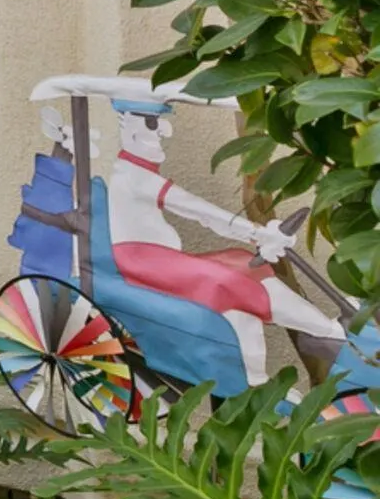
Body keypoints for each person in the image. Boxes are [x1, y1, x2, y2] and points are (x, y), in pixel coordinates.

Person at [103, 94, 344, 386]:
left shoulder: (139, 173)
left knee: (243, 263)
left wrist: (257, 236)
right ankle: (322, 332)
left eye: (161, 124)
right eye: (153, 124)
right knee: (224, 277)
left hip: (160, 256)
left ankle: (312, 336)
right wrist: (256, 232)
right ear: (128, 127)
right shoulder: (135, 177)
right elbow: (200, 211)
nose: (163, 133)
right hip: (143, 260)